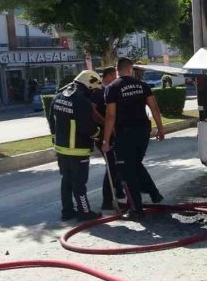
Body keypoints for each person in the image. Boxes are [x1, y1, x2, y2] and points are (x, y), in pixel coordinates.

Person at [102, 57, 165, 219]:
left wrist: (106, 140)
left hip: (125, 133)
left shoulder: (112, 88)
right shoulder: (142, 85)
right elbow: (155, 108)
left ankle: (137, 208)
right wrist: (160, 128)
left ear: (117, 70)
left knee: (127, 171)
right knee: (135, 164)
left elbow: (110, 116)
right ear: (130, 69)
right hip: (143, 131)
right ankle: (154, 193)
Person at [48, 70, 104, 221]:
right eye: (93, 89)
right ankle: (84, 212)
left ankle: (67, 211)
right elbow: (87, 128)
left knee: (66, 180)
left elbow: (52, 120)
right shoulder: (81, 101)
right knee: (79, 183)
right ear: (88, 84)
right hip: (77, 150)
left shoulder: (59, 95)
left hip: (61, 149)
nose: (94, 92)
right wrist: (100, 135)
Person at [91, 66, 126, 210]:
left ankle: (118, 194)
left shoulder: (108, 90)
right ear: (111, 75)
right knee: (112, 166)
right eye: (116, 75)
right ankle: (107, 202)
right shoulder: (100, 90)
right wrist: (107, 124)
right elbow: (91, 110)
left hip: (111, 134)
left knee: (115, 164)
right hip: (103, 135)